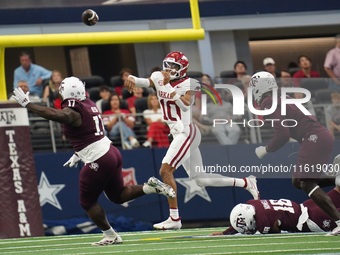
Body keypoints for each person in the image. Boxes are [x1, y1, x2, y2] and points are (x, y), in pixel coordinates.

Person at [12, 77, 175, 245]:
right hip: (110, 151)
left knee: (87, 201)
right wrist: (79, 153)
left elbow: (55, 114)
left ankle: (111, 236)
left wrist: (28, 104)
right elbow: (87, 130)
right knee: (117, 196)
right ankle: (149, 187)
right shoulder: (88, 103)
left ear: (67, 92)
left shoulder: (73, 110)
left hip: (99, 157)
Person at [125, 51, 260, 230]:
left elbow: (185, 103)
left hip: (186, 131)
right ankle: (245, 182)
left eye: (175, 66)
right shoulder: (158, 75)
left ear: (183, 69)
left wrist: (168, 88)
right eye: (168, 65)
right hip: (177, 133)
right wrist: (131, 78)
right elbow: (143, 81)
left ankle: (174, 218)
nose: (170, 69)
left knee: (165, 170)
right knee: (201, 179)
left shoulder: (190, 83)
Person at [252, 71, 340, 236]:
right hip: (319, 135)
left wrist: (265, 150)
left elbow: (282, 135)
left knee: (306, 183)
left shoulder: (268, 101)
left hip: (313, 137)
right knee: (297, 181)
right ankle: (337, 179)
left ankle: (339, 221)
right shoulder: (281, 97)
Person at [211, 187, 340, 235]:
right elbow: (244, 217)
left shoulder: (263, 222)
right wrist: (225, 233)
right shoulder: (252, 203)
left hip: (311, 221)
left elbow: (276, 231)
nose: (248, 230)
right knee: (338, 190)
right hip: (307, 206)